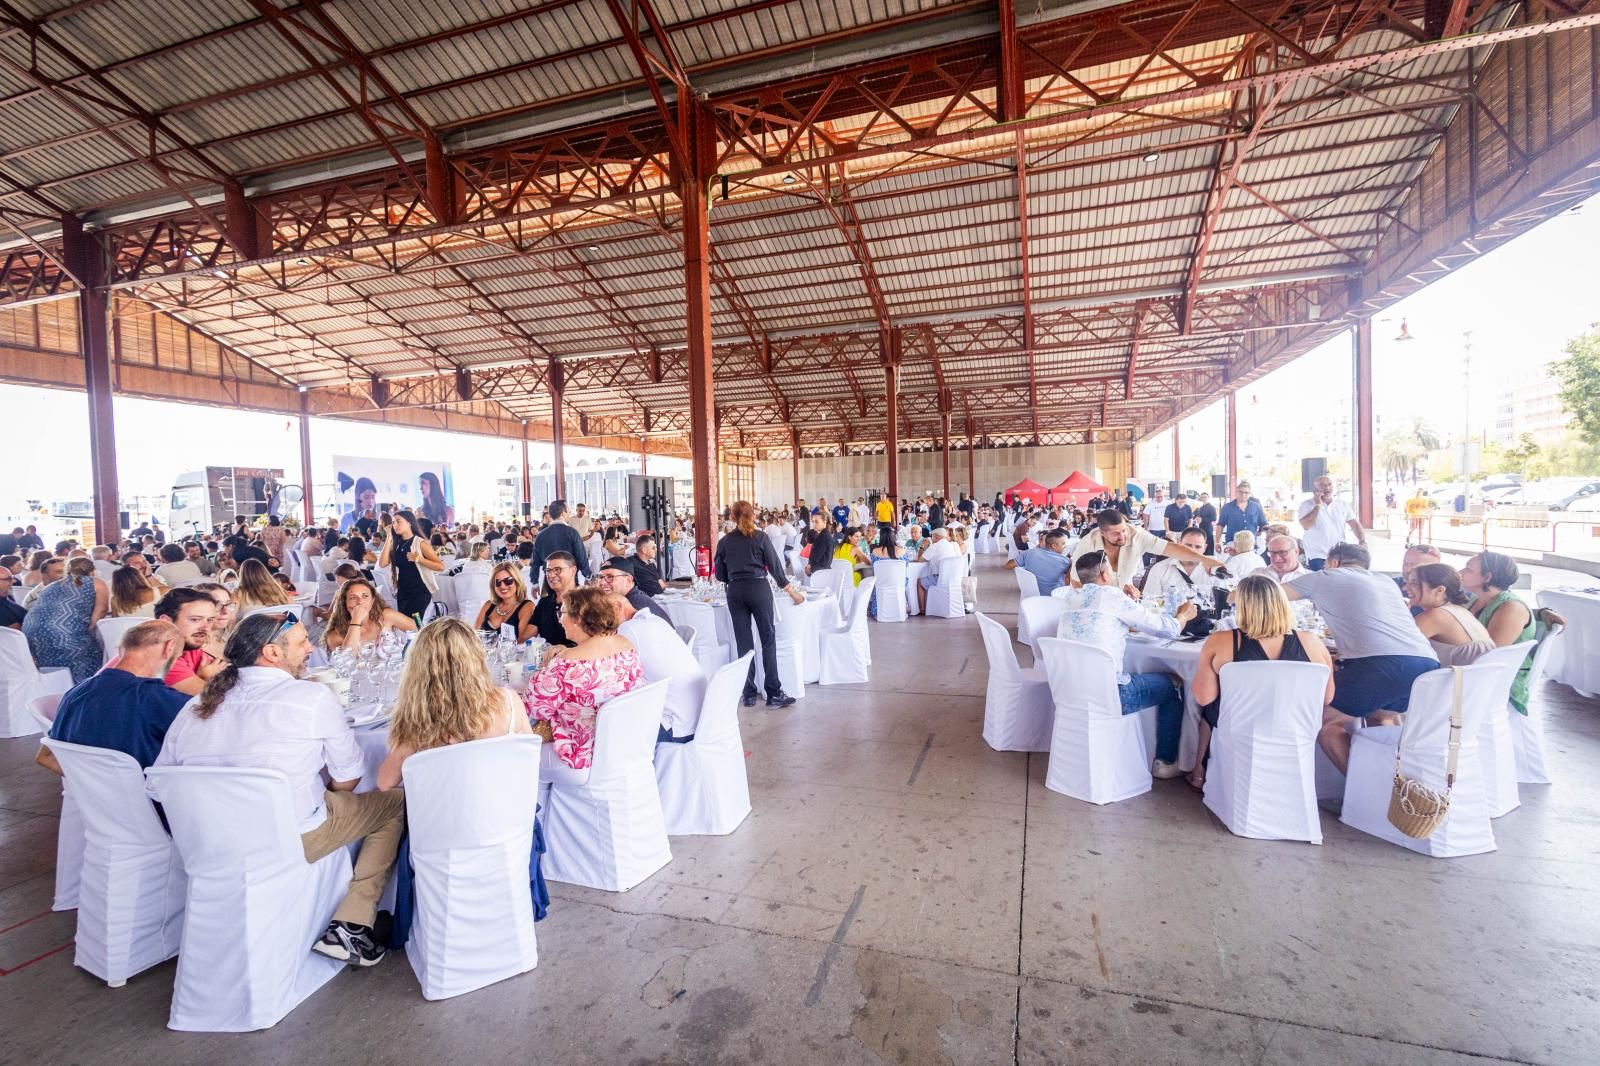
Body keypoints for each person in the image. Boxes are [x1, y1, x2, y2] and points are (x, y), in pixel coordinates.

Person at [156, 611, 404, 967]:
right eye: (302, 642)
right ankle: (353, 924)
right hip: (288, 838)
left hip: (205, 843)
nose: (310, 648)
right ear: (272, 653)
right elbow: (349, 776)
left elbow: (161, 782)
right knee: (394, 802)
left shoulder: (197, 704)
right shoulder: (310, 697)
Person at [1282, 543, 1439, 773]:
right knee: (1379, 716)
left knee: (1327, 723)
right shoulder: (1385, 582)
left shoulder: (1326, 576)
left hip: (1381, 664)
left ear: (1333, 563)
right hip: (1426, 664)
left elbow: (1266, 594)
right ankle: (1389, 791)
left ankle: (1362, 792)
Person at [1055, 550, 1197, 778]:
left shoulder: (1070, 598)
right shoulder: (1112, 597)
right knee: (1174, 684)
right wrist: (1183, 616)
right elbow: (1168, 629)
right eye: (1110, 569)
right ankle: (1165, 761)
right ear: (1104, 574)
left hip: (1068, 691)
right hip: (1110, 696)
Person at [1187, 575, 1334, 790]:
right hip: (1293, 730)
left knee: (1209, 711)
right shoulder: (1312, 642)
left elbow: (1203, 696)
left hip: (1242, 729)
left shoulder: (1222, 641)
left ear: (1243, 607)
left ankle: (1200, 774)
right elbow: (1327, 697)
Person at [376, 617, 530, 791]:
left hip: (443, 815)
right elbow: (530, 761)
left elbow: (385, 782)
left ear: (418, 667)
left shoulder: (419, 719)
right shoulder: (509, 701)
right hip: (508, 813)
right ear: (476, 657)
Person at [36, 620, 189, 777]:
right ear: (169, 647)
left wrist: (97, 784)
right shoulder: (153, 695)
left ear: (122, 649)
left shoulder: (74, 693)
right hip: (151, 795)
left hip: (96, 797)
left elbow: (45, 757)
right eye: (177, 657)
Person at [525, 585, 643, 778]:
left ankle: (538, 806)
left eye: (561, 612)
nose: (560, 619)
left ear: (577, 619)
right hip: (623, 743)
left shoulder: (568, 663)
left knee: (519, 757)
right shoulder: (626, 645)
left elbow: (534, 708)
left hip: (581, 753)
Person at [713, 500, 804, 708]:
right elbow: (776, 569)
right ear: (753, 516)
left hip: (735, 591)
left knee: (744, 644)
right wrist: (793, 593)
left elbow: (719, 574)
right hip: (758, 589)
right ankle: (773, 693)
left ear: (732, 517)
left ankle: (749, 693)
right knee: (767, 640)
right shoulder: (761, 538)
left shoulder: (725, 542)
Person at [610, 584, 705, 743]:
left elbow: (613, 675)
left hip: (675, 726)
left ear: (618, 606)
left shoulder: (628, 629)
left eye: (603, 613)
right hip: (698, 718)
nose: (602, 620)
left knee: (616, 728)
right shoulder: (653, 619)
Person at [1069, 509, 1221, 595]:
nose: (1122, 536)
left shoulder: (1137, 535)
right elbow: (1076, 582)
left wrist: (1204, 559)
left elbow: (1170, 548)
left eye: (1123, 530)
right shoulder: (1087, 544)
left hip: (1125, 600)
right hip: (1093, 602)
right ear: (1102, 533)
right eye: (1116, 534)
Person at [1461, 550, 1536, 714]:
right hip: (1475, 669)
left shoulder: (1511, 608)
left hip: (1499, 678)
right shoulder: (1475, 599)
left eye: (1468, 569)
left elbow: (1491, 655)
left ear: (1487, 577)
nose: (1461, 572)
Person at [22, 557, 107, 683]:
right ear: (93, 571)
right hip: (64, 628)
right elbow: (101, 610)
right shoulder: (95, 582)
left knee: (52, 668)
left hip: (30, 629)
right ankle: (82, 693)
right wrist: (90, 630)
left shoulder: (52, 585)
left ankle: (58, 690)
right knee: (90, 656)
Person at [1406, 563, 1496, 666]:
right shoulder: (1461, 611)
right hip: (1479, 680)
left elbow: (1394, 646)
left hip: (1456, 681)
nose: (1405, 587)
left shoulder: (1435, 616)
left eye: (1414, 583)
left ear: (1440, 590)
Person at [151, 587, 222, 696]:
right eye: (195, 619)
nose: (205, 627)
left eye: (209, 620)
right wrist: (204, 678)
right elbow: (220, 699)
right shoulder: (160, 657)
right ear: (166, 621)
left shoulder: (189, 646)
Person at [379, 509, 443, 621]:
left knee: (416, 624)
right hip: (403, 590)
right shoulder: (396, 543)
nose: (395, 525)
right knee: (404, 624)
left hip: (419, 590)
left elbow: (440, 566)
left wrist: (419, 559)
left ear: (409, 523)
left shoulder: (420, 543)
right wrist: (389, 538)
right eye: (393, 522)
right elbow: (382, 563)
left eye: (399, 521)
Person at [324, 577, 418, 651]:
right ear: (345, 602)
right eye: (353, 597)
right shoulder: (335, 635)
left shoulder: (386, 616)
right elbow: (349, 659)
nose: (360, 601)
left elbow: (422, 631)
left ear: (372, 601)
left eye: (365, 596)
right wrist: (356, 620)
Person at [1296, 475, 1365, 570]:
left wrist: (1362, 541)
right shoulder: (1306, 505)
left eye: (1329, 484)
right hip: (1317, 554)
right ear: (1315, 489)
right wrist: (1317, 505)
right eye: (1322, 485)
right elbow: (1307, 525)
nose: (1327, 488)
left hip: (1339, 553)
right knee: (1322, 582)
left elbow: (1354, 524)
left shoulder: (1343, 504)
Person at [1141, 528, 1217, 609]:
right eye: (1188, 546)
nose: (1192, 551)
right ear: (1179, 545)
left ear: (1205, 548)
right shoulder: (1159, 569)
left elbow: (1222, 605)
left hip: (1206, 619)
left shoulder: (1215, 571)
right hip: (1170, 619)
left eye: (1198, 547)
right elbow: (1150, 604)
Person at [529, 500, 591, 586]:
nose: (569, 513)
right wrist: (587, 575)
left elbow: (535, 561)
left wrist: (534, 582)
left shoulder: (540, 535)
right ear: (562, 513)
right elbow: (581, 556)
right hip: (568, 578)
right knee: (570, 599)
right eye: (568, 511)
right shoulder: (572, 533)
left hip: (550, 579)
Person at [473, 561, 538, 642]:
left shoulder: (527, 606)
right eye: (498, 582)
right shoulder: (488, 605)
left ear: (517, 582)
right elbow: (474, 636)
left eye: (508, 581)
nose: (502, 586)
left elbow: (522, 643)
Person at [597, 557, 673, 624]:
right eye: (600, 577)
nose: (602, 582)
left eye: (610, 577)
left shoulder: (631, 608)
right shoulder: (634, 597)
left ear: (628, 580)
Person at [530, 551, 579, 648]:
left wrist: (564, 650)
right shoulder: (544, 602)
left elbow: (595, 641)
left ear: (573, 570)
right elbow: (531, 630)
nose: (551, 575)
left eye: (557, 569)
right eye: (548, 570)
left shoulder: (586, 602)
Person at [1005, 528, 1073, 593]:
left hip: (1030, 593)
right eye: (1063, 544)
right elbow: (1068, 583)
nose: (1065, 546)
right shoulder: (1065, 561)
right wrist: (1072, 564)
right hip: (1052, 596)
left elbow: (1008, 566)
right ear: (1054, 546)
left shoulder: (1029, 552)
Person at [914, 526, 963, 613]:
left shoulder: (935, 546)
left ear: (936, 536)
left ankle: (922, 609)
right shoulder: (949, 545)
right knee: (927, 578)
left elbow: (920, 559)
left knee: (919, 582)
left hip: (940, 578)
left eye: (932, 536)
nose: (931, 539)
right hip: (952, 578)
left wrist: (922, 547)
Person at [1217, 480, 1267, 546]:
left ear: (1250, 494)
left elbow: (1263, 523)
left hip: (1251, 544)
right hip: (1233, 543)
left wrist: (1261, 531)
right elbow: (1220, 525)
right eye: (1240, 492)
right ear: (1236, 492)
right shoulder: (1227, 507)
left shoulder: (1256, 507)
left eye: (1246, 492)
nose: (1243, 494)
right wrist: (1217, 542)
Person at [804, 512, 836, 576]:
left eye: (816, 522)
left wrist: (809, 566)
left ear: (824, 523)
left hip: (820, 572)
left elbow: (816, 556)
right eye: (813, 522)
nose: (814, 524)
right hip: (822, 571)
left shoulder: (823, 536)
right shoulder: (823, 535)